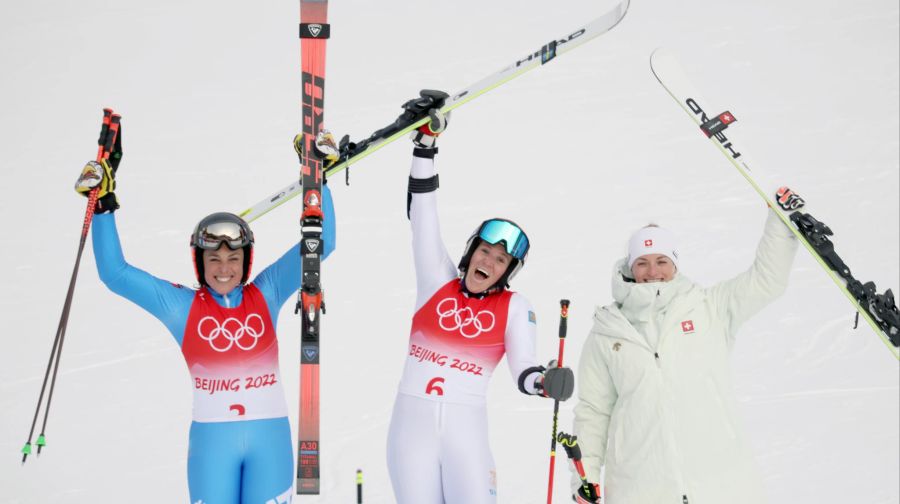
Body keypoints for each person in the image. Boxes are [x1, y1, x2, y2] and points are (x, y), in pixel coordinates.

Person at [75, 132, 336, 503]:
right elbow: (115, 273)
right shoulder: (181, 306)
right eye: (214, 259)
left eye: (233, 259)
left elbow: (323, 244)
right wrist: (103, 207)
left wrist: (317, 180)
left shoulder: (268, 291)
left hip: (271, 444)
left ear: (247, 260)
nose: (224, 269)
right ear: (200, 262)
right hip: (213, 447)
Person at [386, 104, 575, 504]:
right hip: (410, 433)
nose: (488, 262)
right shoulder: (436, 281)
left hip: (465, 436)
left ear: (507, 272)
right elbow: (423, 216)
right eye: (485, 251)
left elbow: (525, 371)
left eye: (500, 260)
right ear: (471, 252)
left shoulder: (514, 307)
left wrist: (544, 382)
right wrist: (425, 148)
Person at [569, 192, 803, 504]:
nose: (653, 272)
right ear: (630, 267)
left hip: (720, 480)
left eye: (662, 261)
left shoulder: (709, 308)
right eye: (643, 263)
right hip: (640, 487)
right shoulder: (607, 332)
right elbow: (593, 412)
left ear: (675, 263)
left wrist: (780, 224)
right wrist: (584, 478)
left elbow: (765, 281)